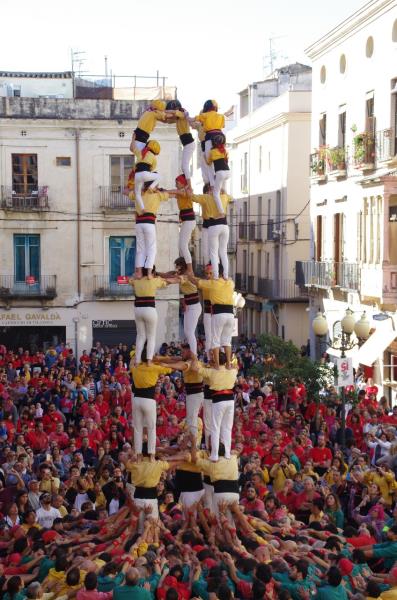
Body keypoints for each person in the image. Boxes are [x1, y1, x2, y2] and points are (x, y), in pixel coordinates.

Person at [192, 352, 237, 461]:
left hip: (219, 400)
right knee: (227, 428)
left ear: (216, 360)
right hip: (230, 400)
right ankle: (226, 453)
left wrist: (194, 356)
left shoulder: (211, 371)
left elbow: (194, 368)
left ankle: (215, 454)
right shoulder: (233, 371)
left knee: (215, 428)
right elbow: (236, 366)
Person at [128, 270, 177, 365]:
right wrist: (180, 278)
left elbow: (130, 279)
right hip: (150, 309)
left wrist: (137, 274)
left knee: (140, 336)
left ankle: (137, 360)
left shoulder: (136, 281)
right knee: (151, 337)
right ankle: (149, 360)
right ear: (152, 272)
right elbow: (170, 281)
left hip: (138, 310)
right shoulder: (155, 280)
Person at [133, 183, 173, 279]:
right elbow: (172, 194)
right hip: (149, 223)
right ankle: (149, 273)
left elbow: (126, 192)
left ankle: (139, 273)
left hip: (138, 223)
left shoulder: (139, 193)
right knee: (152, 249)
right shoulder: (157, 195)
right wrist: (160, 190)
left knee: (140, 249)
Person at [166, 100, 195, 190]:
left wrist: (165, 111)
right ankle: (187, 183)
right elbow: (167, 121)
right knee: (184, 166)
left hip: (189, 143)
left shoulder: (182, 113)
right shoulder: (177, 118)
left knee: (184, 166)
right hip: (187, 144)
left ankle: (189, 185)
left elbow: (174, 112)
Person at [175, 258, 202, 355]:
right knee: (187, 332)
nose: (176, 268)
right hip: (190, 306)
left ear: (182, 266)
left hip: (194, 306)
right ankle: (192, 352)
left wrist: (165, 280)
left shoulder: (186, 276)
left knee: (190, 332)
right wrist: (159, 275)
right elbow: (170, 275)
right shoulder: (182, 275)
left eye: (177, 266)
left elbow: (174, 280)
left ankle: (194, 354)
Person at [174, 175, 197, 272]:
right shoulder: (180, 192)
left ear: (183, 183)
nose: (176, 184)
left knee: (183, 245)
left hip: (189, 221)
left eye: (177, 183)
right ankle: (184, 266)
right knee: (180, 245)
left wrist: (163, 191)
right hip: (186, 221)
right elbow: (171, 194)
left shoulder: (185, 191)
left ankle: (190, 269)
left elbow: (174, 192)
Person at [132, 139, 162, 211]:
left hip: (137, 176)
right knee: (160, 177)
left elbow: (132, 148)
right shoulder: (153, 157)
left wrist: (133, 138)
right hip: (145, 174)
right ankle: (151, 187)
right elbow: (152, 169)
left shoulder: (140, 152)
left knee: (137, 194)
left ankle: (142, 209)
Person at [206, 132, 231, 209]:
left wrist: (204, 157)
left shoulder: (212, 151)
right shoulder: (225, 150)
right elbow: (227, 159)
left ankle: (221, 212)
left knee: (216, 193)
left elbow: (209, 163)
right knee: (222, 189)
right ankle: (232, 199)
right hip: (228, 172)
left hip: (220, 172)